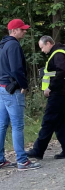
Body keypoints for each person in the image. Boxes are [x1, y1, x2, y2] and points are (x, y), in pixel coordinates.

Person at [0, 19, 41, 171]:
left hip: (2, 88)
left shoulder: (3, 45)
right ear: (14, 31)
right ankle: (22, 161)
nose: (24, 31)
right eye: (22, 29)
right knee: (17, 125)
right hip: (12, 90)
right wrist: (24, 85)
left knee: (2, 125)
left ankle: (0, 160)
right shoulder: (13, 45)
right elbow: (17, 69)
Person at [27, 36, 65, 160]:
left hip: (58, 94)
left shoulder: (58, 54)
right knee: (60, 122)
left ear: (48, 43)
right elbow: (56, 72)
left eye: (42, 47)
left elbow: (62, 72)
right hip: (63, 93)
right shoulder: (58, 54)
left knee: (48, 121)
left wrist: (50, 87)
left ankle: (38, 151)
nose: (42, 50)